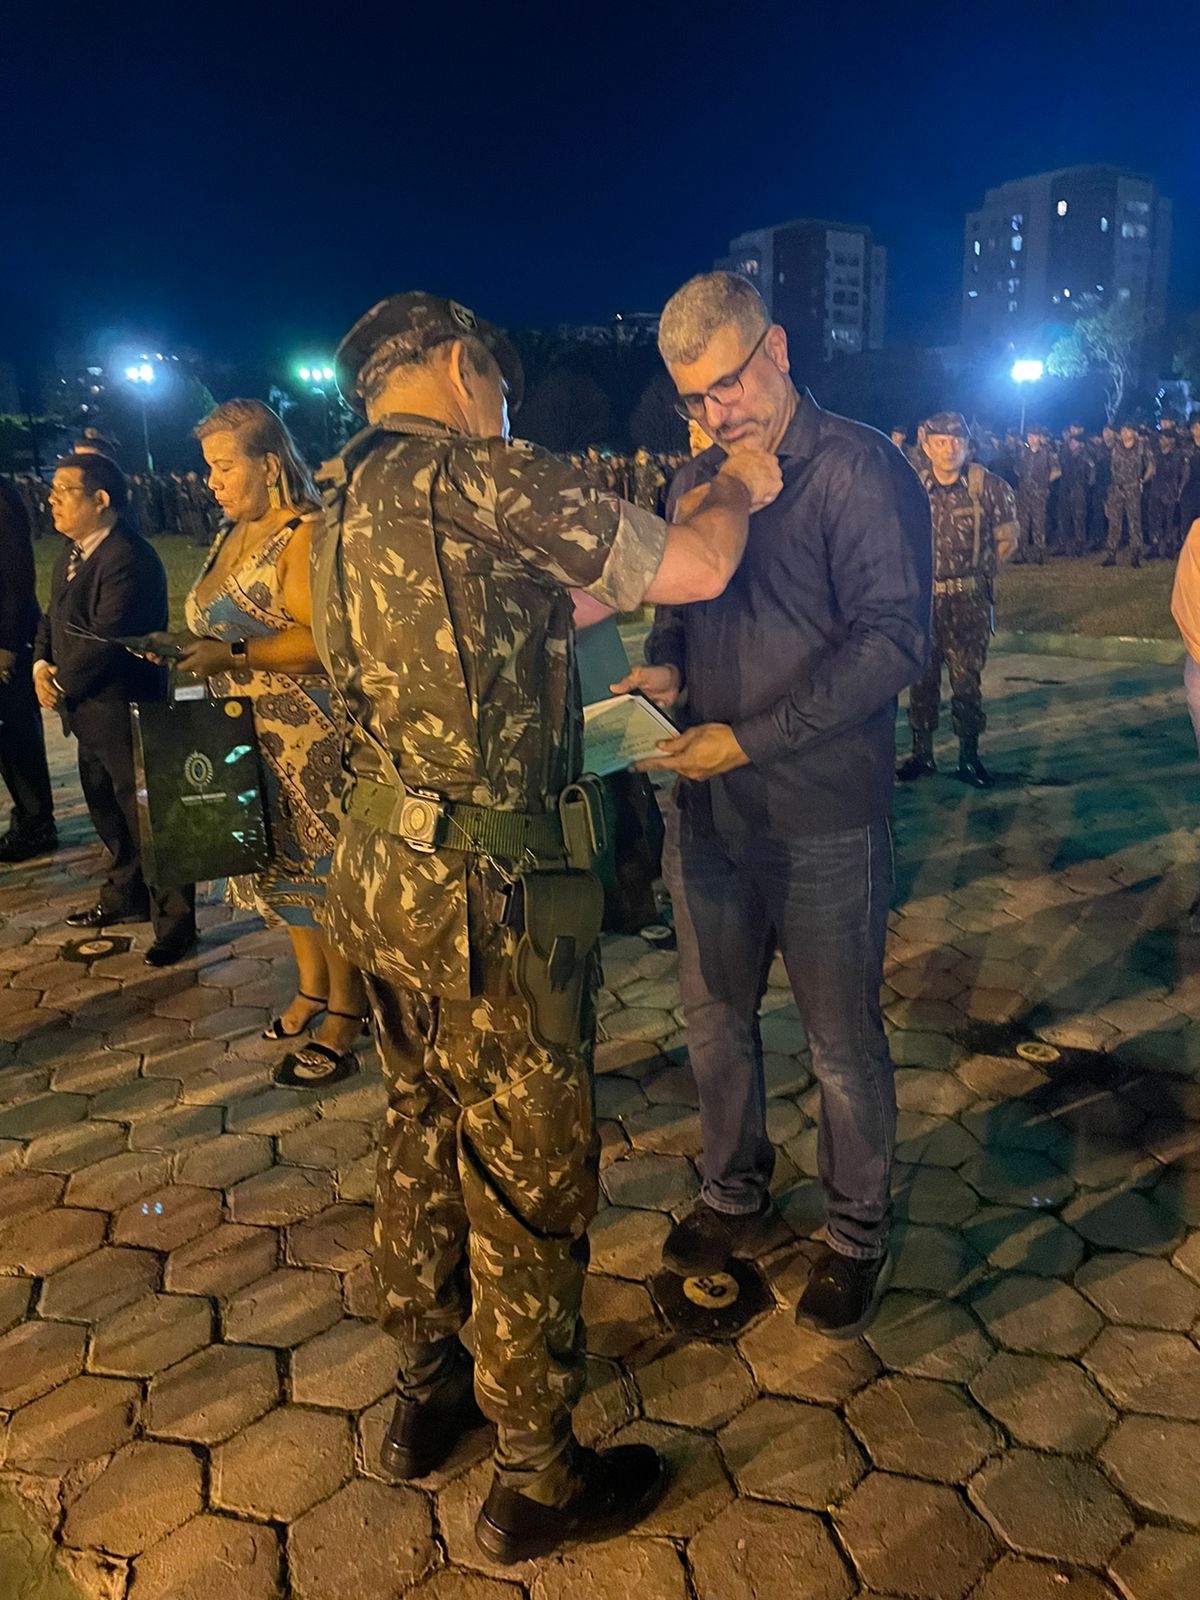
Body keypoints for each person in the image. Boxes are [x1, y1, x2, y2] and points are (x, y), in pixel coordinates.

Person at [312, 290, 780, 1564]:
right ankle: (536, 1474)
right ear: (465, 369)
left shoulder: (344, 496)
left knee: (418, 1117)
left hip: (381, 874)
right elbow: (698, 566)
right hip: (486, 896)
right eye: (502, 391)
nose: (506, 411)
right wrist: (730, 476)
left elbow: (484, 625)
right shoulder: (476, 469)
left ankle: (426, 1392)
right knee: (527, 1173)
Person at [620, 271, 932, 1337]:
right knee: (715, 1023)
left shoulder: (860, 472)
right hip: (706, 814)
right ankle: (732, 1190)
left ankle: (855, 1230)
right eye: (695, 398)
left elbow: (892, 641)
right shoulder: (693, 482)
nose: (718, 412)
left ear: (780, 349)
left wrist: (750, 738)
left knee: (840, 1039)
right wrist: (663, 671)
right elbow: (679, 609)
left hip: (821, 813)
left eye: (731, 382)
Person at [159, 401, 366, 1086]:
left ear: (269, 463)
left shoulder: (303, 534)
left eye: (224, 466)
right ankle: (310, 985)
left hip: (305, 735)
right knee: (277, 869)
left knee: (322, 875)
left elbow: (323, 643)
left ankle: (347, 1009)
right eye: (208, 469)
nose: (212, 481)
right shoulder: (229, 533)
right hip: (242, 731)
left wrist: (235, 654)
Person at [33, 453, 196, 965]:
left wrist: (60, 682)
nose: (52, 498)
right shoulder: (72, 553)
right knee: (109, 810)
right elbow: (53, 618)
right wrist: (41, 664)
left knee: (151, 817)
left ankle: (176, 923)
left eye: (64, 490)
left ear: (100, 500)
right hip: (88, 713)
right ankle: (124, 896)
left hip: (125, 710)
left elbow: (104, 638)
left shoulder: (128, 557)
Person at [897, 413, 1017, 788]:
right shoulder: (911, 486)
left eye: (956, 441)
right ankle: (923, 755)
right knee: (921, 679)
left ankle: (969, 757)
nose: (949, 449)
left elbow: (1006, 541)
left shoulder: (990, 487)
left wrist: (977, 575)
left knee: (967, 682)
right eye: (941, 442)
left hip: (969, 603)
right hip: (923, 603)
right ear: (927, 446)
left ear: (968, 444)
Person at [0, 476, 57, 861]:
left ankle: (36, 824)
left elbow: (15, 574)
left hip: (8, 640)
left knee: (16, 732)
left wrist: (6, 643)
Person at [1102, 421, 1155, 567]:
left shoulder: (1142, 446)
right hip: (1116, 488)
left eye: (1128, 430)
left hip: (1133, 489)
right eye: (1123, 430)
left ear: (1134, 432)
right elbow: (1106, 439)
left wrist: (1143, 480)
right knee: (1114, 522)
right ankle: (1111, 554)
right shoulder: (1116, 444)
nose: (1125, 433)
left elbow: (1151, 465)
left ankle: (1135, 555)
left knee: (1134, 523)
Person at [1013, 425, 1059, 563]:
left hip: (1039, 494)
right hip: (1024, 494)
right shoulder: (1023, 453)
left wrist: (1044, 483)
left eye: (1034, 436)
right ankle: (1022, 553)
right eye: (1029, 436)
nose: (1032, 439)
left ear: (1039, 437)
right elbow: (1017, 469)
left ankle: (1040, 553)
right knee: (1023, 524)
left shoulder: (1048, 453)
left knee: (1039, 523)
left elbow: (1057, 471)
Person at [1148, 429, 1186, 558]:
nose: (1161, 441)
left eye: (1164, 439)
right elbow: (1151, 470)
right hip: (1156, 491)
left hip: (1171, 492)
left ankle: (1170, 546)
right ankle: (1155, 545)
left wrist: (1179, 490)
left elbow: (1183, 474)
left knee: (1170, 520)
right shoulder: (1156, 454)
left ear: (1172, 440)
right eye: (1161, 439)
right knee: (1154, 519)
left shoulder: (1178, 455)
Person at [1058, 432, 1095, 556]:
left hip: (1079, 490)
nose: (1072, 444)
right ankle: (1063, 545)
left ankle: (1080, 546)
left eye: (1074, 442)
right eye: (1071, 442)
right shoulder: (1066, 456)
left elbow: (1091, 475)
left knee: (1079, 519)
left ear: (1080, 444)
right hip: (1066, 489)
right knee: (1064, 518)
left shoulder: (1086, 457)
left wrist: (1085, 487)